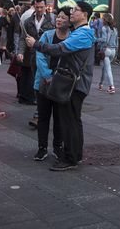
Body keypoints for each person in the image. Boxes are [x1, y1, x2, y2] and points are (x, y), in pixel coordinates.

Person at [25, 0, 95, 171]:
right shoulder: (80, 32)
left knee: (69, 121)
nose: (72, 12)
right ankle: (75, 155)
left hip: (74, 85)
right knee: (74, 120)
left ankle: (70, 158)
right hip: (74, 84)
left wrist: (36, 44)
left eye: (75, 10)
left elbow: (60, 49)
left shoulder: (83, 34)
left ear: (84, 15)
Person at [32, 9, 70, 161]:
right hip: (44, 83)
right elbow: (39, 56)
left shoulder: (71, 38)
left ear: (69, 21)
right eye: (58, 16)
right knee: (43, 117)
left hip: (62, 84)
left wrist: (57, 77)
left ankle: (57, 147)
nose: (59, 19)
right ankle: (42, 148)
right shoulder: (47, 35)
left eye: (63, 17)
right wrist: (48, 75)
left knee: (59, 117)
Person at [17, 0, 52, 105]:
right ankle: (35, 98)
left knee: (44, 76)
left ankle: (43, 98)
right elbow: (23, 38)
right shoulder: (28, 21)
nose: (39, 9)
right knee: (33, 77)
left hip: (45, 54)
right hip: (31, 54)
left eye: (42, 7)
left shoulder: (51, 21)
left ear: (45, 7)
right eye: (37, 7)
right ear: (34, 7)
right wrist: (20, 52)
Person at [98, 13, 118, 94]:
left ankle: (111, 87)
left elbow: (104, 39)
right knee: (104, 68)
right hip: (113, 51)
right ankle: (101, 84)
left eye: (103, 19)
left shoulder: (104, 28)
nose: (102, 20)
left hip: (106, 50)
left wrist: (95, 39)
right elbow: (117, 42)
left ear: (105, 20)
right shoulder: (115, 29)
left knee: (108, 69)